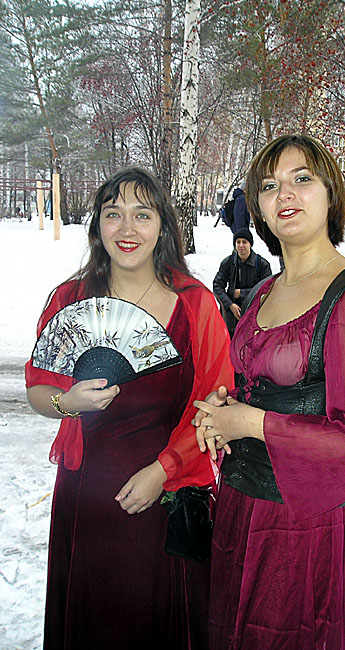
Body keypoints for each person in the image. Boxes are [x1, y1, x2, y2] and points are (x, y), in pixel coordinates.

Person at [194, 134, 345, 649]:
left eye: (301, 179)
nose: (284, 193)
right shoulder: (263, 290)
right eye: (269, 185)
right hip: (236, 508)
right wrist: (225, 410)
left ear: (330, 194)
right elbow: (254, 386)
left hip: (297, 529)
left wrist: (251, 423)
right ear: (258, 208)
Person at [24, 167, 234, 650]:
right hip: (85, 496)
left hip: (165, 492)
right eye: (113, 214)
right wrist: (66, 402)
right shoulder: (70, 299)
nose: (127, 228)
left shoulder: (196, 305)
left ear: (162, 225)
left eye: (143, 214)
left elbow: (214, 406)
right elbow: (38, 388)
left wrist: (162, 471)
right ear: (97, 225)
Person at [213, 227, 272, 337]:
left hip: (254, 314)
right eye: (238, 242)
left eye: (244, 242)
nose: (241, 245)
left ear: (250, 244)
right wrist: (230, 305)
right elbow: (217, 286)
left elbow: (267, 290)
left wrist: (242, 293)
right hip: (230, 316)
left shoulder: (262, 264)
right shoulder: (228, 262)